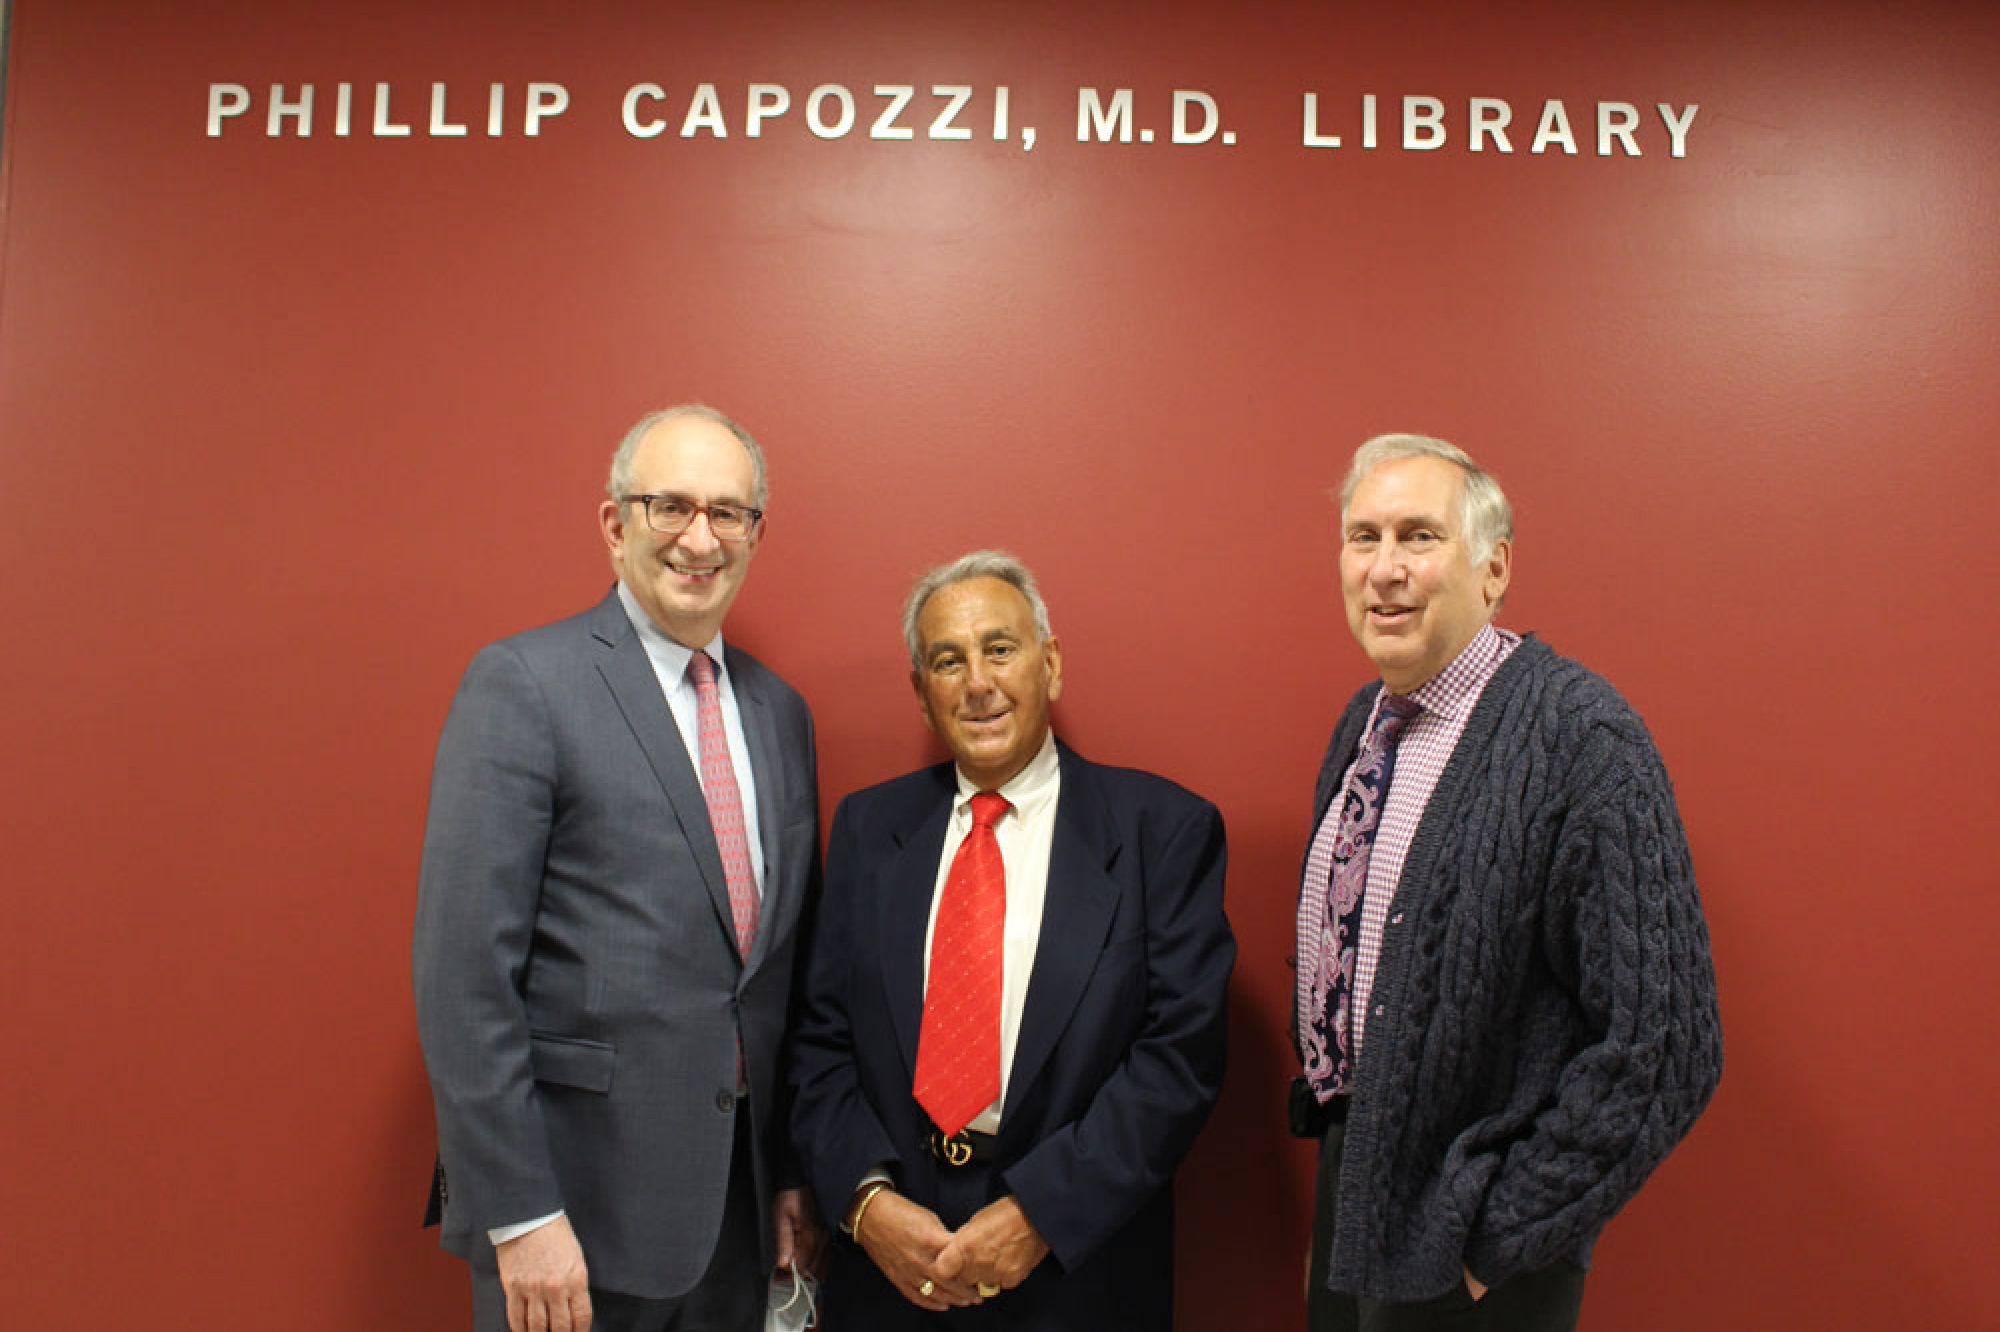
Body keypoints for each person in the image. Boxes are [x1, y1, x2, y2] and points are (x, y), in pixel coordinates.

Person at [1293, 434, 1723, 1331]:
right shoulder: (1362, 724)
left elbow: (1670, 1043)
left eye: (1419, 537)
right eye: (1362, 537)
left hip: (1475, 1243)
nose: (1384, 570)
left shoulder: (1581, 738)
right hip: (1361, 1194)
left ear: (1494, 570)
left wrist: (1498, 1241)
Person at [414, 404, 825, 1332]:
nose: (699, 536)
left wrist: (789, 1171)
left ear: (756, 534)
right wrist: (520, 1215)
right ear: (614, 525)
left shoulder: (781, 715)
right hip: (570, 1229)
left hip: (736, 1225)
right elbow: (462, 979)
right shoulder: (524, 685)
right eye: (669, 505)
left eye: (729, 513)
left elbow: (779, 982)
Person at [789, 550, 1235, 1329]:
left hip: (1079, 1271)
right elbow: (818, 1041)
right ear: (922, 696)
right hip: (890, 1273)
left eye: (1001, 649)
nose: (978, 683)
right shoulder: (868, 829)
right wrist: (867, 1206)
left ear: (1051, 664)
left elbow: (1179, 1060)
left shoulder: (1161, 831)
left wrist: (1041, 1215)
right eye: (947, 661)